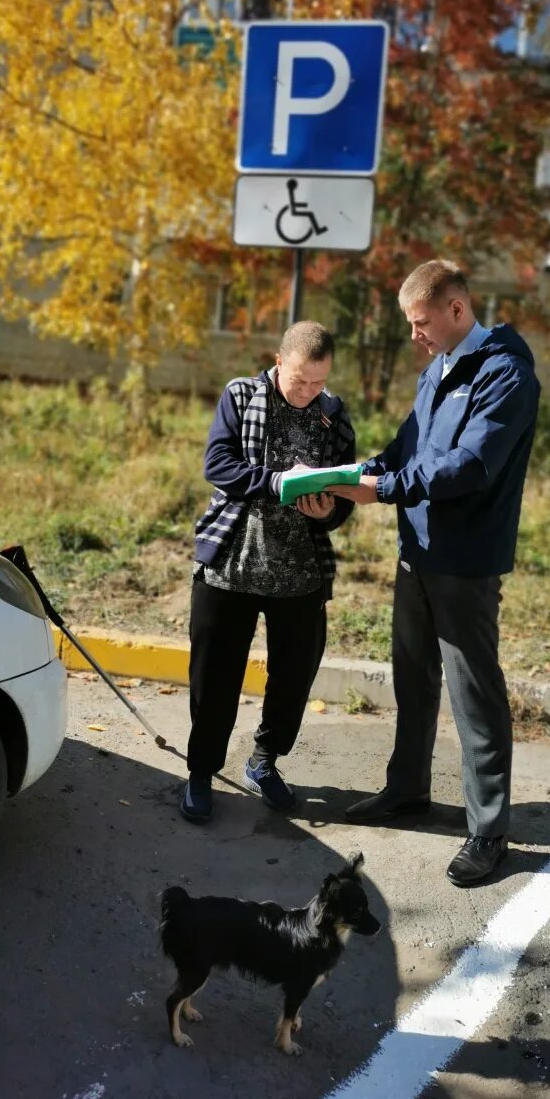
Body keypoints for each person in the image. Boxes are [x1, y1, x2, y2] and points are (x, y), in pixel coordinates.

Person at [330, 260, 540, 887]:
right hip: (417, 553)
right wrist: (356, 474)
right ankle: (407, 790)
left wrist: (384, 488)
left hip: (465, 563)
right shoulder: (436, 370)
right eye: (410, 325)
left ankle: (488, 832)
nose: (414, 335)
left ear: (455, 310)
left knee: (473, 694)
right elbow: (408, 447)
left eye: (421, 323)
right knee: (412, 679)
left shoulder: (505, 374)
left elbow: (469, 466)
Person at [180, 321, 356, 825]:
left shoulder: (334, 414)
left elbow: (343, 498)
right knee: (214, 677)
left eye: (318, 383)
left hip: (300, 578)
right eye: (300, 380)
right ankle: (200, 771)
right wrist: (278, 482)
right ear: (279, 362)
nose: (308, 393)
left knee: (292, 680)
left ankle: (264, 762)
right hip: (230, 570)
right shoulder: (240, 395)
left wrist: (328, 512)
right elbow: (218, 465)